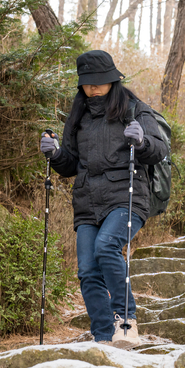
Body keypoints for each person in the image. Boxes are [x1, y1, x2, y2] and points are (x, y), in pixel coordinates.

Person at [40, 49, 168, 348]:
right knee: (87, 269)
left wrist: (142, 140)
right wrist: (55, 155)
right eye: (87, 82)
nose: (93, 87)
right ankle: (102, 337)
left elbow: (158, 151)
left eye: (99, 81)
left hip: (127, 198)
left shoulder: (135, 110)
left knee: (106, 246)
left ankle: (126, 322)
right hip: (87, 202)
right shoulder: (79, 116)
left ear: (113, 80)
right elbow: (71, 164)